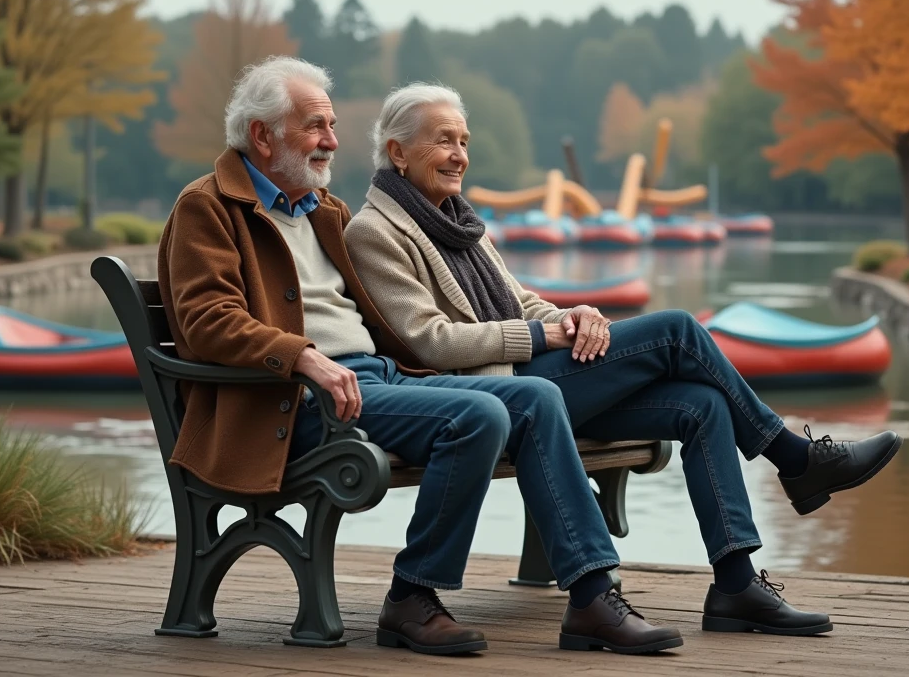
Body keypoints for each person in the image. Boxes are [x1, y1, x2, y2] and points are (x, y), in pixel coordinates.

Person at [157, 56, 682, 656]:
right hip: (289, 405)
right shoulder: (207, 208)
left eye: (330, 126)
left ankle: (591, 595)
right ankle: (412, 596)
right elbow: (206, 323)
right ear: (262, 135)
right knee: (478, 415)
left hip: (375, 383)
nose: (331, 141)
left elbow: (393, 322)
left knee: (536, 396)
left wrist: (534, 323)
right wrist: (302, 357)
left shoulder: (325, 212)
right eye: (315, 127)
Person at [344, 82, 906, 637]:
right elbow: (431, 342)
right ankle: (792, 456)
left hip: (532, 379)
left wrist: (577, 314)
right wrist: (544, 337)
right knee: (679, 330)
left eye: (464, 141)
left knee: (703, 403)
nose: (460, 155)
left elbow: (523, 302)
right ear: (398, 152)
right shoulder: (374, 233)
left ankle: (736, 585)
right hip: (486, 393)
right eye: (444, 141)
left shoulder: (458, 222)